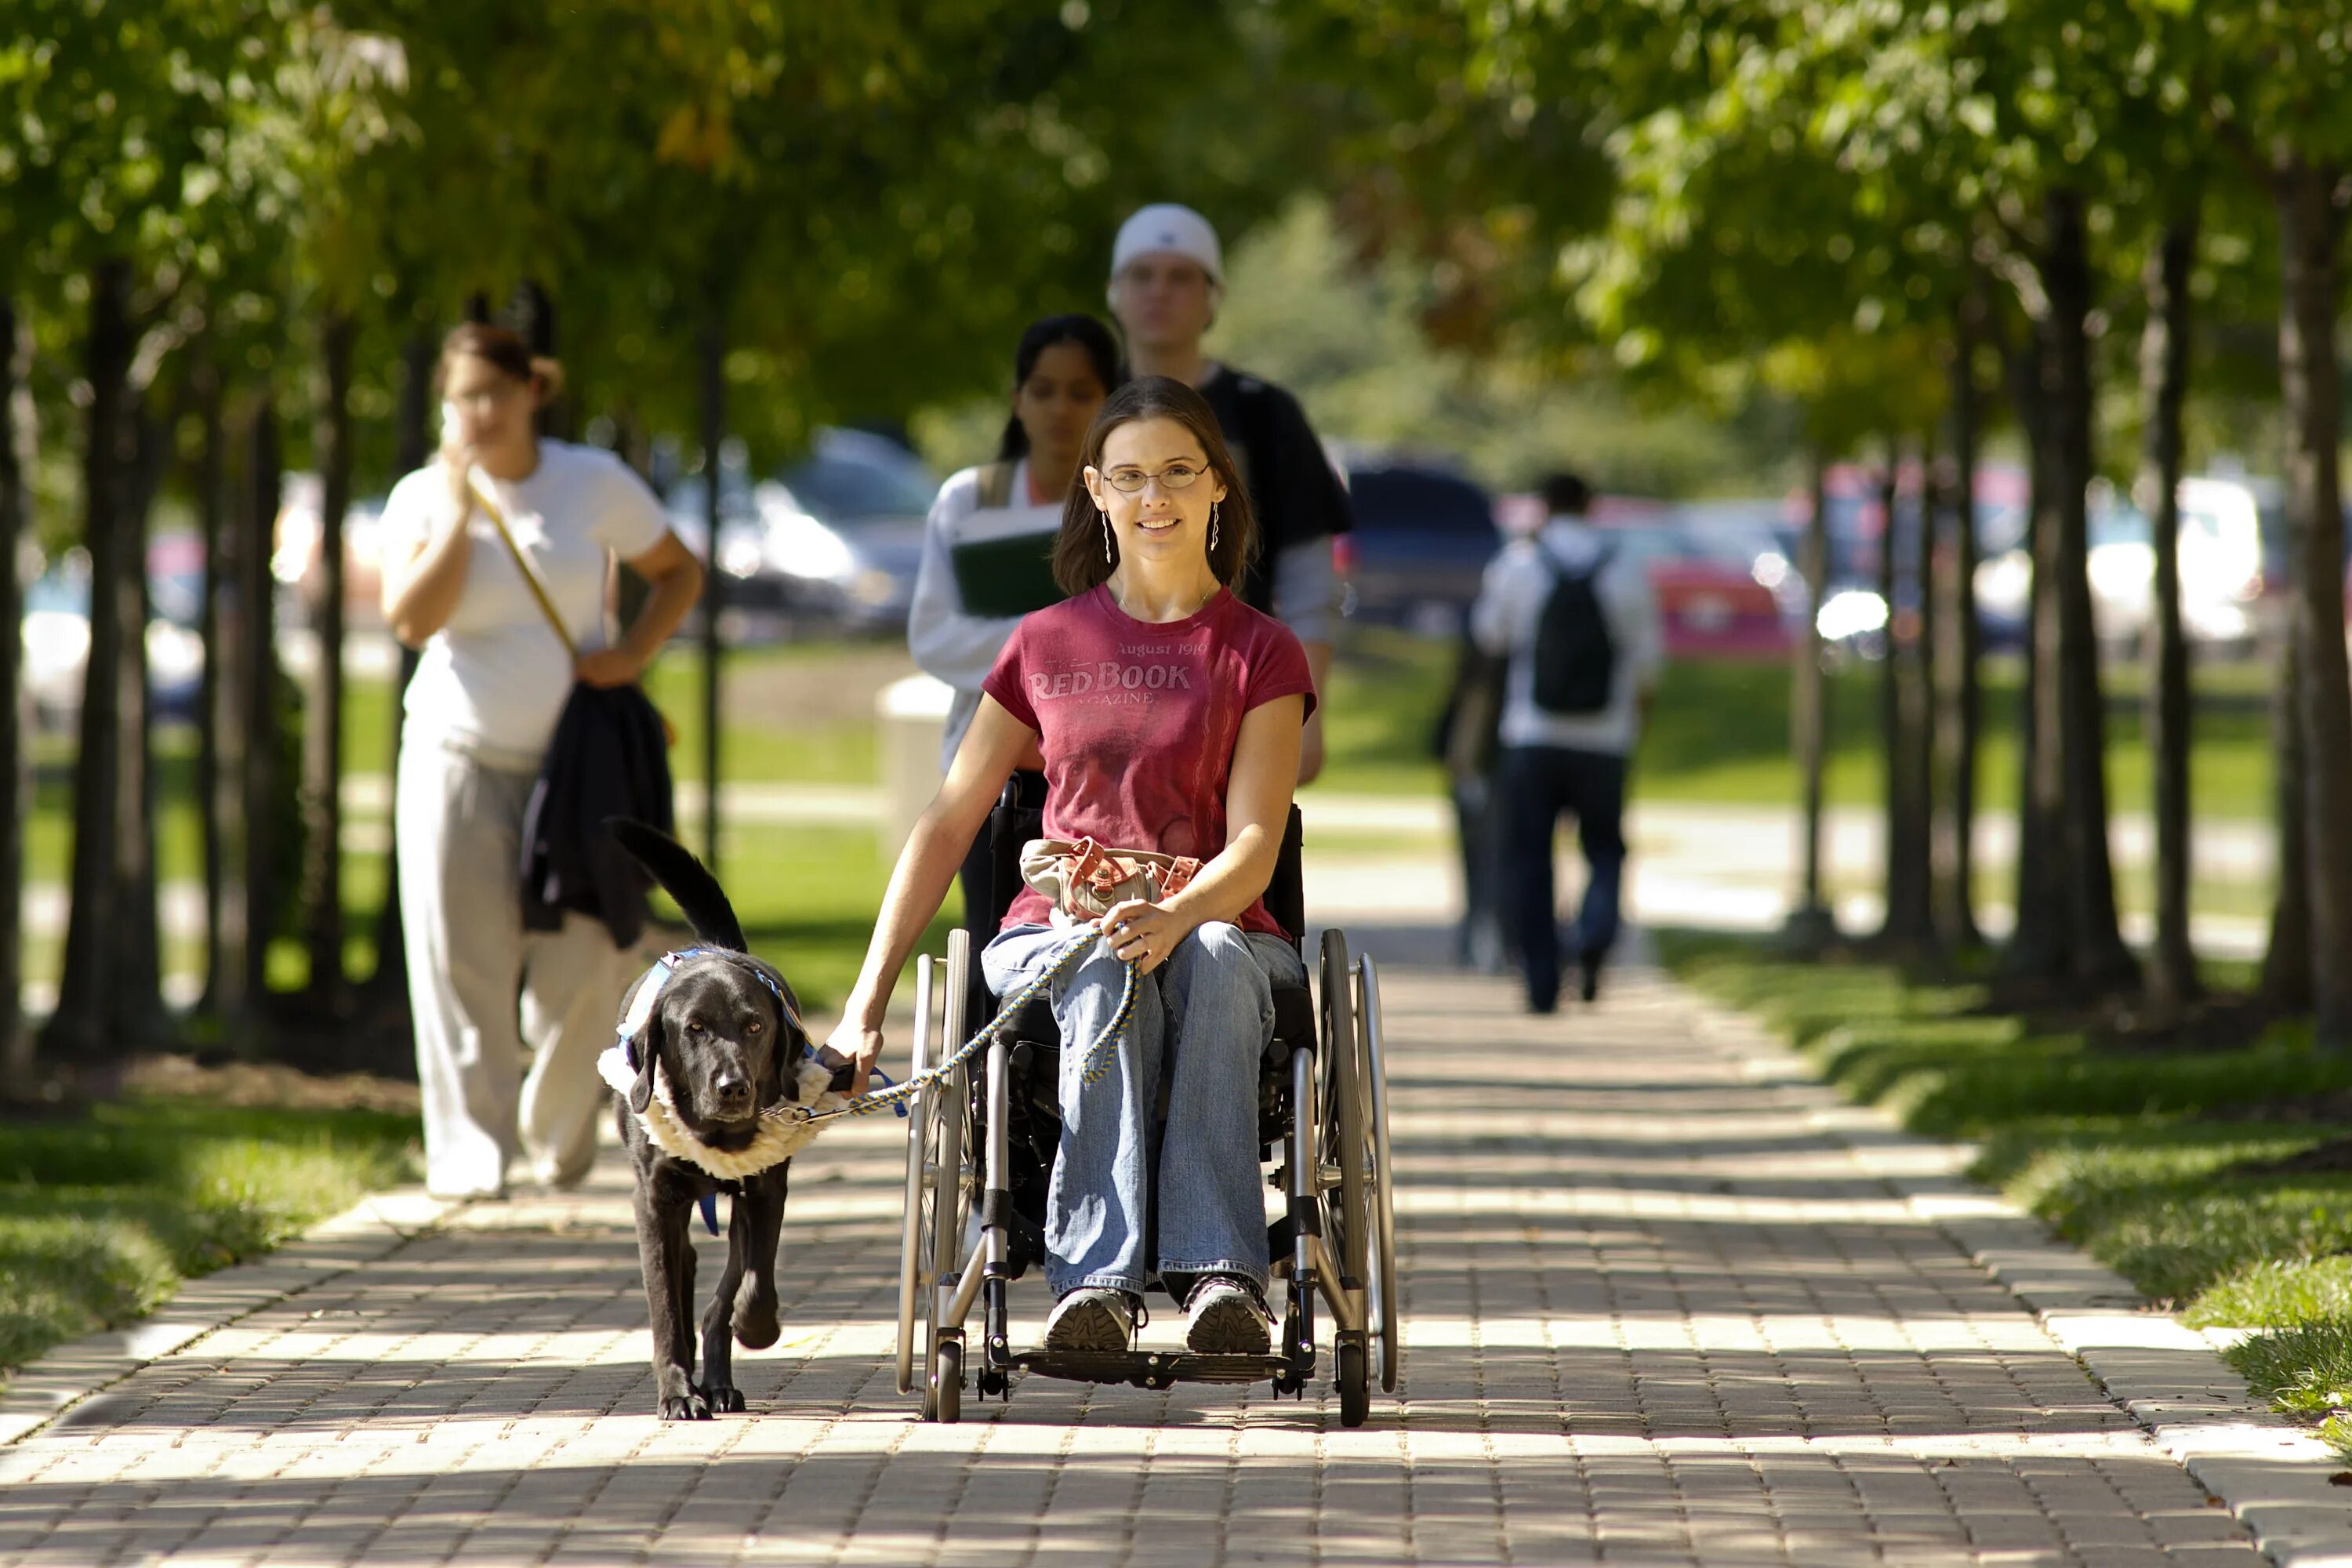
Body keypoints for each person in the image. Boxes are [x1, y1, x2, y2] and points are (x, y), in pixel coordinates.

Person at [826, 376, 1315, 1357]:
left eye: (1178, 471)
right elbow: (950, 818)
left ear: (1218, 485)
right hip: (1055, 936)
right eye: (1130, 475)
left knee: (1214, 952)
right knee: (1091, 954)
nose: (1155, 496)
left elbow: (1256, 846)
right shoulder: (1045, 643)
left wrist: (1176, 914)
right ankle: (1092, 1285)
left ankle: (1224, 1278)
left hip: (1218, 931)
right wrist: (863, 1003)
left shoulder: (1260, 651)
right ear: (1096, 491)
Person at [379, 322, 704, 1199]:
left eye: (494, 392)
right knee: (461, 963)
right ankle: (471, 1157)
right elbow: (412, 621)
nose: (479, 412)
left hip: (577, 767)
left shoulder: (588, 481)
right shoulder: (420, 497)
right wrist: (458, 504)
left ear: (532, 391)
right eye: (462, 397)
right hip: (455, 752)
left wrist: (631, 652)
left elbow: (678, 571)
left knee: (585, 961)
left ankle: (558, 1141)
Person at [1106, 203, 1348, 783]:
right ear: (1115, 292)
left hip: (1227, 696)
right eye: (1143, 275)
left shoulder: (1266, 414)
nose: (1160, 292)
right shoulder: (1074, 404)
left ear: (1212, 296)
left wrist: (1306, 714)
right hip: (1094, 691)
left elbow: (1310, 578)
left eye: (1181, 276)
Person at [907, 314, 1122, 942]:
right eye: (1043, 389)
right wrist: (1055, 645)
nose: (1061, 408)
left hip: (1104, 780)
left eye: (1081, 391)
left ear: (1112, 399)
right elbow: (933, 635)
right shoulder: (969, 500)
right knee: (990, 946)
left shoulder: (1133, 500)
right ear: (1017, 400)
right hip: (989, 779)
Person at [1471, 471, 1662, 1014]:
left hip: (1531, 733)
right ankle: (1594, 937)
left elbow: (1491, 637)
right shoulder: (1624, 566)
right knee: (1605, 849)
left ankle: (1540, 978)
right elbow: (1648, 662)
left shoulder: (1519, 563)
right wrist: (1635, 729)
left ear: (1543, 508)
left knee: (1529, 855)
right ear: (1592, 505)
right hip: (1606, 738)